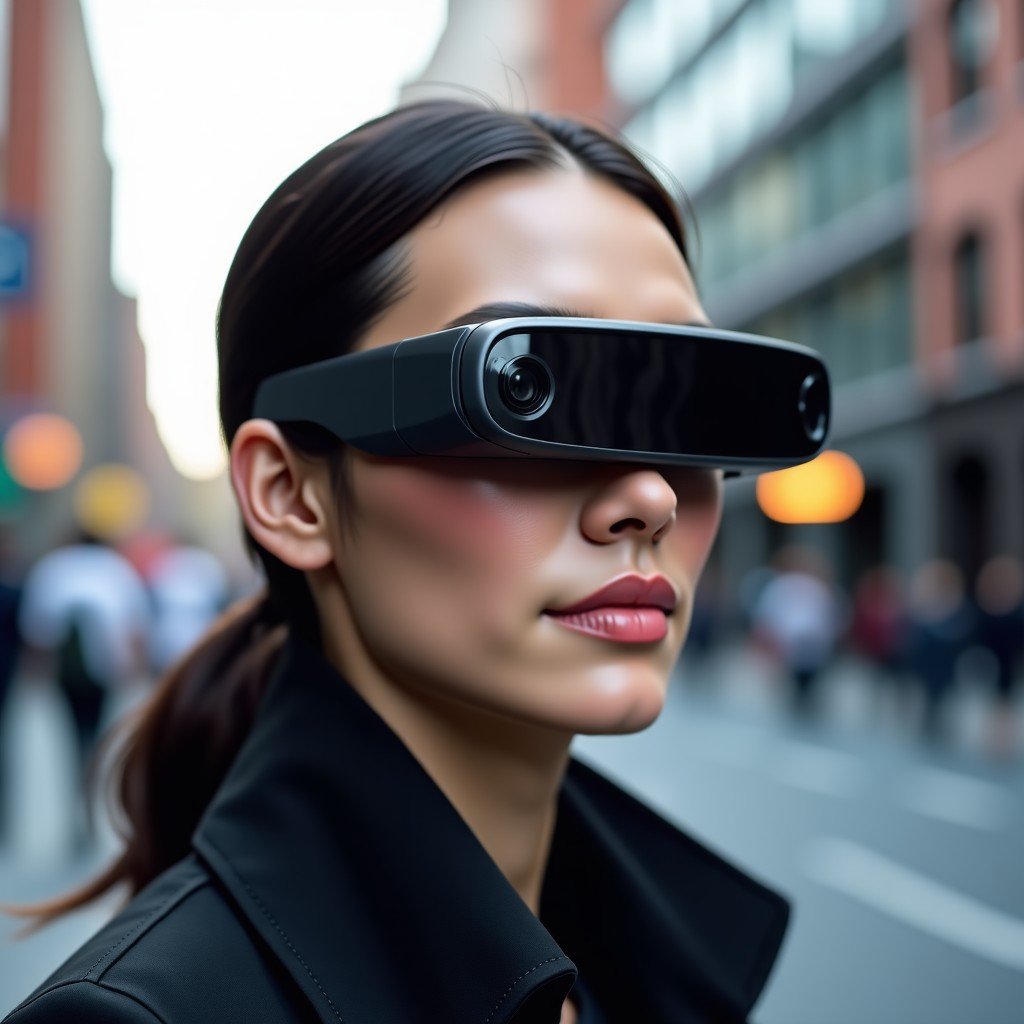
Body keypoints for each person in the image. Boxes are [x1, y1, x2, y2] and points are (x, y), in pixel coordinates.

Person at [2, 100, 790, 1024]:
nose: (652, 495)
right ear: (293, 494)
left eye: (687, 405)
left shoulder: (652, 958)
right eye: (527, 388)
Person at [14, 528, 151, 851]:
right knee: (94, 735)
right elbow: (134, 624)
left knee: (73, 736)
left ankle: (77, 799)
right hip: (103, 670)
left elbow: (37, 628)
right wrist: (133, 669)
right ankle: (87, 800)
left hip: (68, 672)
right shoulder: (114, 569)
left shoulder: (55, 568)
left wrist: (35, 672)